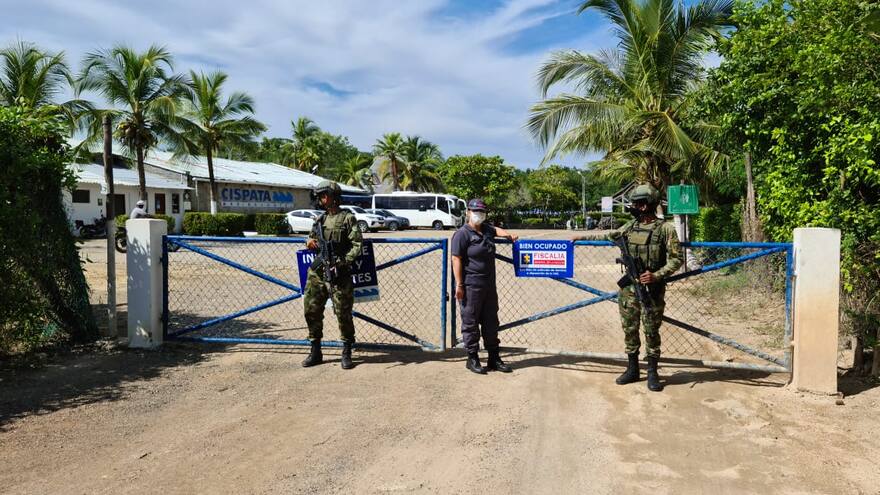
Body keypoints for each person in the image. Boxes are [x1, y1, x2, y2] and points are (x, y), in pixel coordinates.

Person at [572, 184, 682, 391]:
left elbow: (677, 259)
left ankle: (652, 372)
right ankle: (632, 369)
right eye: (635, 203)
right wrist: (580, 237)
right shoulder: (630, 227)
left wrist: (656, 275)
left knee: (651, 331)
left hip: (652, 290)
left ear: (649, 205)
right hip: (629, 289)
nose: (635, 207)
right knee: (630, 329)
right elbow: (608, 236)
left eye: (639, 203)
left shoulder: (665, 229)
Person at [451, 198, 519, 374]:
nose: (478, 214)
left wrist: (507, 235)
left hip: (489, 285)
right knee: (471, 321)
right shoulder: (462, 234)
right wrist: (459, 284)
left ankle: (493, 358)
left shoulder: (487, 230)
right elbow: (456, 259)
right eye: (475, 211)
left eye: (481, 212)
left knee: (490, 321)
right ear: (468, 212)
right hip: (470, 285)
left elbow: (495, 229)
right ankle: (472, 358)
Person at [301, 180, 363, 370]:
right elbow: (311, 237)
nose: (321, 198)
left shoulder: (347, 218)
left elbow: (357, 245)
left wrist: (343, 261)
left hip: (339, 272)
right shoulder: (319, 220)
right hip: (317, 272)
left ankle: (346, 351)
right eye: (319, 196)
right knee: (311, 310)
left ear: (334, 196)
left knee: (343, 313)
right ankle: (315, 350)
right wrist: (309, 241)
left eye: (324, 194)